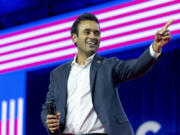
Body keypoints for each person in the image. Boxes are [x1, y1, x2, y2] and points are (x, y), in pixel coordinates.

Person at [41, 13, 173, 135]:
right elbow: (48, 106)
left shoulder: (108, 66)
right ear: (74, 37)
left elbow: (136, 67)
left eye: (96, 33)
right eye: (87, 32)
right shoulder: (58, 74)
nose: (93, 36)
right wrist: (49, 121)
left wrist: (155, 47)